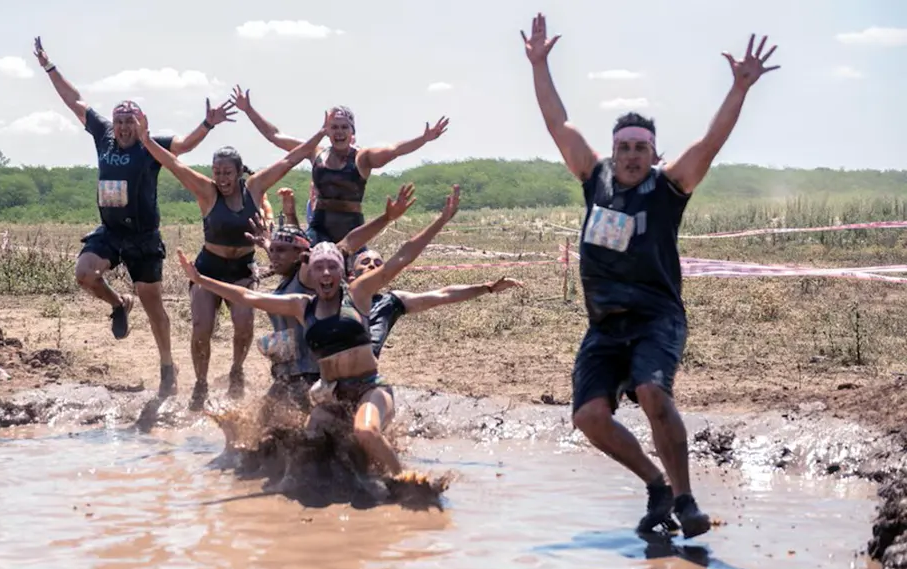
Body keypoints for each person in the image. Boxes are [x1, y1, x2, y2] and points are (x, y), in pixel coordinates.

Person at [522, 14, 780, 538]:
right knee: (589, 418)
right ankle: (656, 484)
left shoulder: (669, 187)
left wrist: (740, 87)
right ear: (612, 152)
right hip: (604, 327)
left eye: (641, 147)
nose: (632, 155)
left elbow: (710, 142)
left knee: (654, 394)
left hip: (656, 319)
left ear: (654, 154)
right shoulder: (593, 178)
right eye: (624, 147)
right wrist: (540, 64)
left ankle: (685, 501)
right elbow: (558, 123)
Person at [178, 184, 462, 478]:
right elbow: (249, 295)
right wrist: (203, 278)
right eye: (271, 251)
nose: (324, 273)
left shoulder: (334, 287)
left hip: (334, 381)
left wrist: (401, 219)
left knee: (346, 434)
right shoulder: (296, 296)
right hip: (308, 384)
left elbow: (380, 251)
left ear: (338, 272)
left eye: (330, 268)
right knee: (277, 442)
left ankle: (398, 478)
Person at [32, 36, 235, 397]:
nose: (124, 126)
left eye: (130, 120)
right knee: (84, 274)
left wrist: (208, 123)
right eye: (120, 120)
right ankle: (118, 303)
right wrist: (50, 67)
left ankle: (167, 366)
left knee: (152, 304)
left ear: (140, 121)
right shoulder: (103, 135)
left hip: (144, 236)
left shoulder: (150, 145)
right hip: (110, 231)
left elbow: (185, 145)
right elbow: (74, 100)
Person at [132, 109, 337, 410]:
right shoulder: (206, 190)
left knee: (243, 325)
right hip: (209, 268)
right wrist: (146, 139)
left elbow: (290, 159)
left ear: (239, 172)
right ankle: (200, 384)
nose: (221, 178)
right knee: (201, 327)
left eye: (227, 173)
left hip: (242, 268)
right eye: (217, 172)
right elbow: (172, 163)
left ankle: (236, 369)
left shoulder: (254, 188)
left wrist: (321, 133)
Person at [244, 184, 419, 428]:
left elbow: (348, 242)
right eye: (271, 251)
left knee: (308, 435)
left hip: (311, 376)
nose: (273, 256)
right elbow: (285, 253)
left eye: (280, 251)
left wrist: (386, 218)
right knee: (261, 427)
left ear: (301, 257)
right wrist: (267, 242)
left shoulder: (306, 276)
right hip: (289, 374)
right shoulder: (286, 278)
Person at [230, 85, 449, 245]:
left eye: (344, 127)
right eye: (334, 127)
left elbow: (395, 150)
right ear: (327, 130)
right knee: (306, 266)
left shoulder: (362, 158)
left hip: (352, 227)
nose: (339, 132)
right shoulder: (315, 152)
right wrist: (249, 110)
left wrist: (423, 138)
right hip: (319, 227)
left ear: (352, 132)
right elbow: (275, 136)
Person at [349, 250, 524, 357]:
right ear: (350, 274)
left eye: (378, 263)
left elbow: (444, 294)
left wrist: (488, 287)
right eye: (365, 262)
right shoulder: (335, 298)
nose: (372, 265)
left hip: (362, 380)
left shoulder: (391, 303)